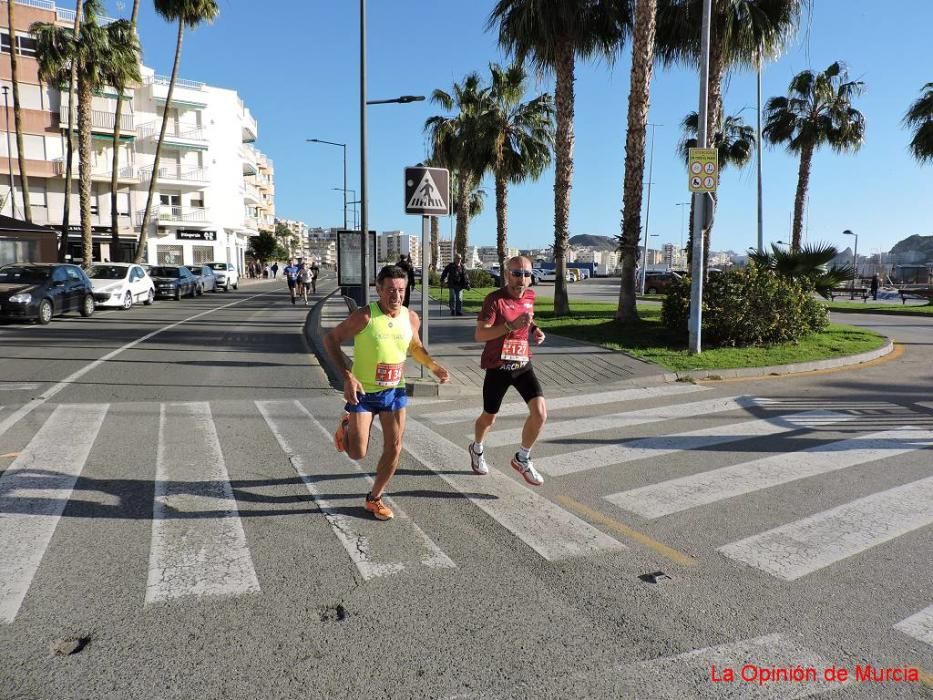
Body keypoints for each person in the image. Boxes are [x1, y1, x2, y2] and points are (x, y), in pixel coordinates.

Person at [323, 265, 451, 521]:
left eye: (401, 290)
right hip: (364, 392)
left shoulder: (411, 317)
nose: (396, 295)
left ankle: (374, 498)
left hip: (394, 391)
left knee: (394, 446)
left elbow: (415, 347)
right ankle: (346, 425)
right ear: (379, 290)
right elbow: (330, 339)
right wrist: (347, 376)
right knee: (357, 453)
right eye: (390, 290)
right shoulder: (365, 317)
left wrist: (434, 367)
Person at [467, 256, 546, 487]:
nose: (521, 279)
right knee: (489, 417)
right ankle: (477, 448)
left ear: (531, 277)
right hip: (498, 366)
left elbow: (527, 319)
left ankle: (522, 457)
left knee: (540, 413)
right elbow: (480, 335)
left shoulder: (530, 296)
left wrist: (535, 330)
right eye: (516, 273)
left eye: (526, 274)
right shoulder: (494, 300)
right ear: (506, 274)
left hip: (522, 364)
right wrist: (511, 326)